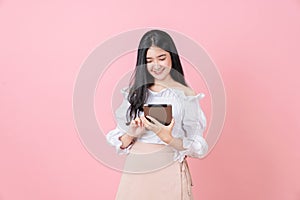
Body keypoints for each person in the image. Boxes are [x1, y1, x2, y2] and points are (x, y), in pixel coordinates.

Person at [106, 29, 208, 200]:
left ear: (172, 57)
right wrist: (132, 133)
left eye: (162, 58)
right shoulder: (136, 94)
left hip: (169, 167)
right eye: (149, 60)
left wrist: (168, 138)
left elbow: (198, 147)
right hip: (137, 168)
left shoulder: (185, 96)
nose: (156, 65)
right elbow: (120, 141)